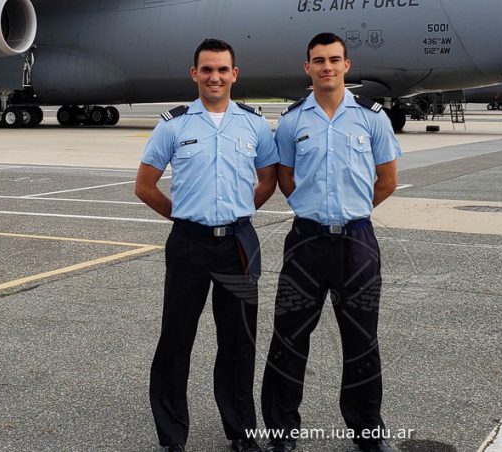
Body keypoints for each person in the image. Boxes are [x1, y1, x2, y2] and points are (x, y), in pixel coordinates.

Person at [134, 38, 279, 452]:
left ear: (235, 74)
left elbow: (267, 179)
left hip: (237, 246)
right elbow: (145, 186)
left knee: (238, 341)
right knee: (176, 339)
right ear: (194, 74)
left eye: (222, 70)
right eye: (207, 69)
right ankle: (172, 436)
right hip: (189, 247)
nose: (214, 77)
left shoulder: (252, 124)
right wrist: (184, 216)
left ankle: (242, 433)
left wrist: (237, 213)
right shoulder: (174, 124)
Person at [261, 33, 402, 452]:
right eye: (318, 60)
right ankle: (282, 432)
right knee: (289, 337)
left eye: (334, 59)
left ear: (347, 65)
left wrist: (352, 210)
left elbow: (388, 180)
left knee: (361, 340)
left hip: (357, 241)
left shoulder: (372, 118)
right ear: (307, 68)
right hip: (306, 242)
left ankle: (368, 433)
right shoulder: (291, 121)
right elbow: (286, 180)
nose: (327, 66)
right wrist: (316, 210)